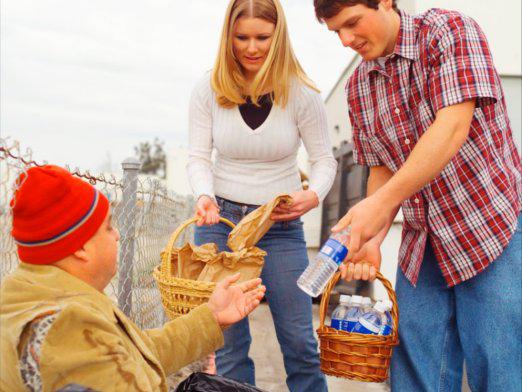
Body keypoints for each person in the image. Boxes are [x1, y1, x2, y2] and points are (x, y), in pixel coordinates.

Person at [313, 0, 522, 390]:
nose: (345, 39)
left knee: (499, 367)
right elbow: (381, 170)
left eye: (353, 23)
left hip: (491, 230)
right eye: (335, 31)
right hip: (423, 243)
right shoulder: (360, 86)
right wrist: (372, 239)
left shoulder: (449, 32)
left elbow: (452, 128)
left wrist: (375, 207)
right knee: (413, 371)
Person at [0, 165, 266, 392]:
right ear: (80, 247)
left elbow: (133, 354)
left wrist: (212, 315)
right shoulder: (68, 326)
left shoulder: (30, 293)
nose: (117, 235)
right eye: (107, 227)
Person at [186, 0, 337, 390]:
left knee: (300, 342)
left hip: (281, 227)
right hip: (221, 226)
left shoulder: (301, 94)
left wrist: (313, 195)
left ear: (278, 36)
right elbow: (199, 157)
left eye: (262, 38)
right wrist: (204, 195)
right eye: (242, 38)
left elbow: (325, 161)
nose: (251, 48)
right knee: (230, 343)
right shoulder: (208, 89)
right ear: (228, 37)